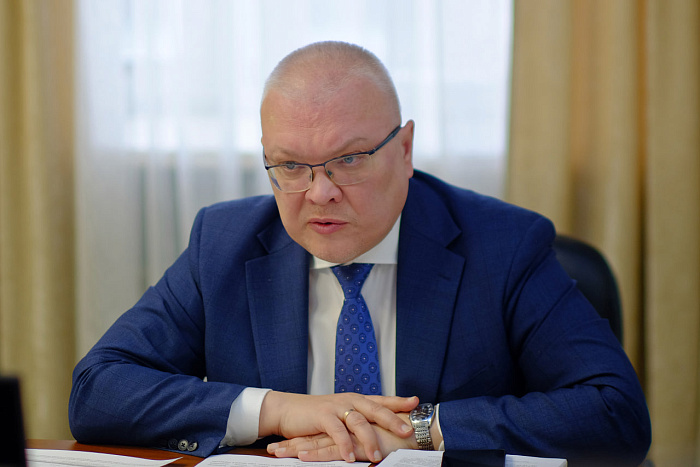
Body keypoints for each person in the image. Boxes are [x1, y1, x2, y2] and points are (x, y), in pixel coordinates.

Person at [69, 41, 651, 466]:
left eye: (348, 159)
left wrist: (418, 430)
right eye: (290, 165)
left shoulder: (503, 246)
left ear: (405, 149)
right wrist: (278, 410)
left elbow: (614, 412)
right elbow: (98, 389)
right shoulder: (222, 243)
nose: (319, 192)